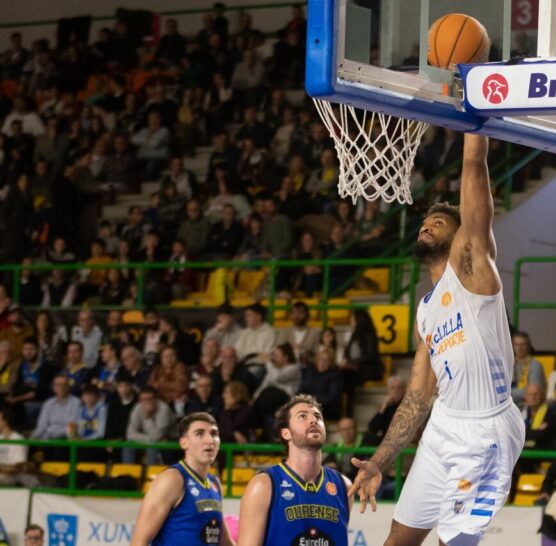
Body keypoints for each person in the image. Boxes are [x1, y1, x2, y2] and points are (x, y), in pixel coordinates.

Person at [349, 132, 525, 546]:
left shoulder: (471, 268)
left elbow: (474, 168)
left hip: (486, 430)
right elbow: (415, 399)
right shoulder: (425, 311)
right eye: (426, 221)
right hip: (444, 425)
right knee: (397, 540)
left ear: (463, 234)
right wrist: (379, 463)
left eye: (440, 222)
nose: (428, 224)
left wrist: (473, 124)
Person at [237, 394, 351, 546]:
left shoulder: (344, 485)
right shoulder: (264, 485)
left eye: (318, 416)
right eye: (302, 416)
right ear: (286, 433)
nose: (313, 420)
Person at [130, 412, 235, 546]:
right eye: (199, 434)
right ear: (184, 443)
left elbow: (224, 542)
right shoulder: (172, 479)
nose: (209, 440)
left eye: (214, 434)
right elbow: (139, 541)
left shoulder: (215, 483)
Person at [510, 331, 545, 408]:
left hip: (527, 406)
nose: (520, 348)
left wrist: (507, 394)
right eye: (516, 345)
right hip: (510, 405)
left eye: (523, 345)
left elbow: (532, 392)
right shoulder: (509, 364)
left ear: (528, 346)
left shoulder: (535, 365)